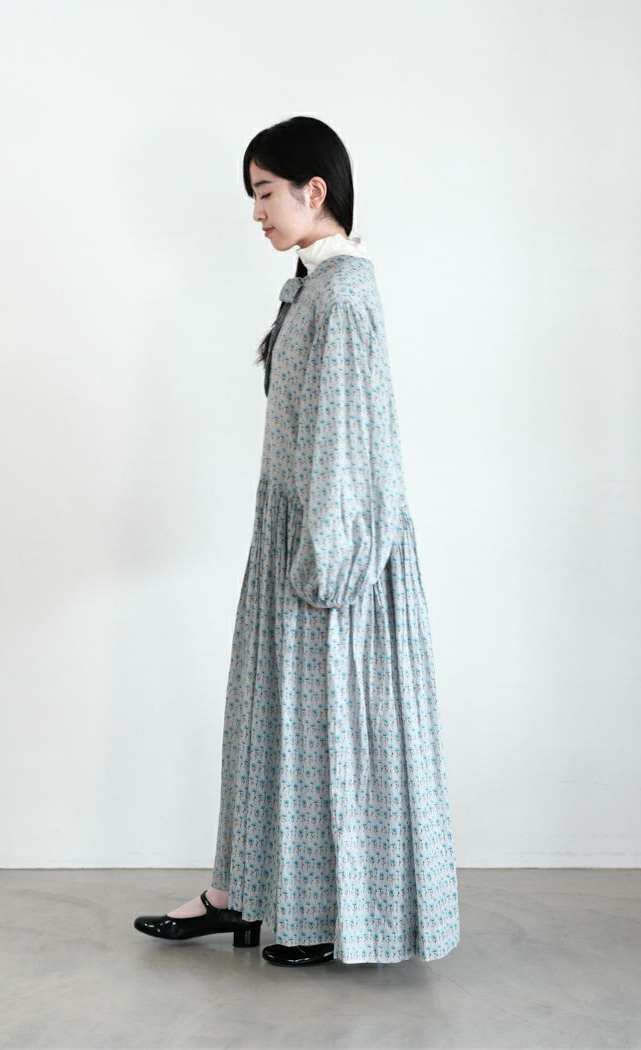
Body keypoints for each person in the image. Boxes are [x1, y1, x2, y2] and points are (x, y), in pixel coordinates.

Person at [135, 116, 461, 968]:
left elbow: (347, 440)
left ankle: (315, 916)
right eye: (253, 195)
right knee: (273, 727)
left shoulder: (344, 293)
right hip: (297, 533)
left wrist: (326, 562)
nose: (256, 212)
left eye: (265, 192)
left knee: (326, 735)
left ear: (315, 190)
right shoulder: (316, 286)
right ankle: (241, 894)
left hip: (327, 547)